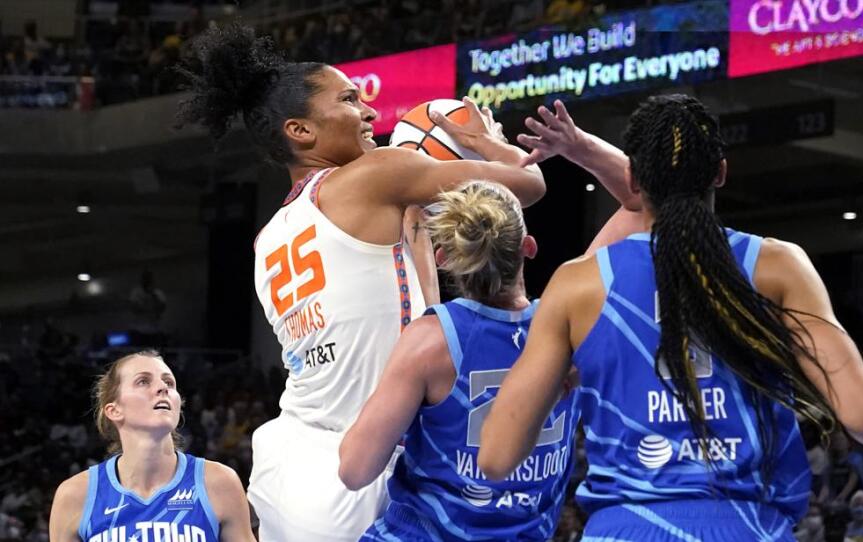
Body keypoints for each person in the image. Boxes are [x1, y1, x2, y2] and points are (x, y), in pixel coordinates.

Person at [176, 23, 636, 541]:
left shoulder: (267, 239)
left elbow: (415, 300)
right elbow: (529, 185)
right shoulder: (376, 174)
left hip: (293, 458)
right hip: (361, 462)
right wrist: (488, 143)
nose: (371, 112)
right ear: (300, 131)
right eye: (350, 100)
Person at [479, 94, 863, 540]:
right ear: (721, 173)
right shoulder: (778, 266)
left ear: (632, 177)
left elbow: (496, 457)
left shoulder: (578, 285)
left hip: (625, 529)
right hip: (751, 528)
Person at [339, 181, 581, 540]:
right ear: (528, 248)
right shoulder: (572, 329)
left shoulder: (428, 342)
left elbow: (354, 471)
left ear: (444, 258)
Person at [48, 351, 254, 542]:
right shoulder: (76, 495)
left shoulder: (218, 483)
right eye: (143, 381)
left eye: (169, 382)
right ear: (114, 410)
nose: (163, 388)